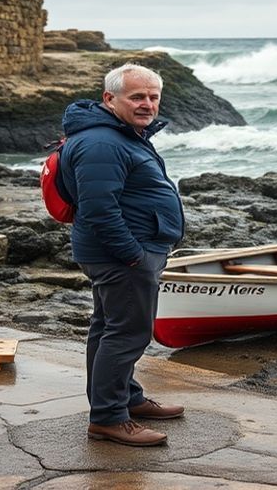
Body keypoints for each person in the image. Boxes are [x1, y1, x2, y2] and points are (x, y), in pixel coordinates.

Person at [60, 62, 185, 447]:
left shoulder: (122, 134)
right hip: (121, 255)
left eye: (153, 96)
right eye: (137, 96)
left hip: (119, 251)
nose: (147, 104)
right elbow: (99, 209)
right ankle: (109, 419)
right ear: (109, 99)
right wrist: (133, 255)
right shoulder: (102, 143)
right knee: (127, 333)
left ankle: (124, 399)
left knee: (109, 328)